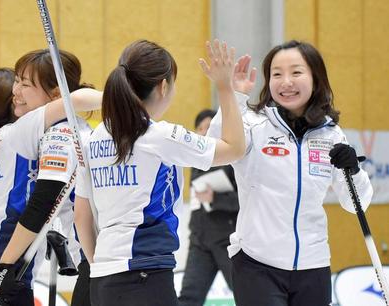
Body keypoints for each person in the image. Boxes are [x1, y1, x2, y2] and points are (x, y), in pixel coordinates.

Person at [73, 39, 252, 306]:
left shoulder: (95, 137)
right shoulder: (159, 135)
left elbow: (81, 215)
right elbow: (235, 148)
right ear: (163, 86)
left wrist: (97, 265)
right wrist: (226, 89)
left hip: (101, 280)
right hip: (145, 274)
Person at [207, 40, 373, 306]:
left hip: (313, 264)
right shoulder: (253, 123)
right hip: (257, 263)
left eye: (296, 72)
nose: (286, 82)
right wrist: (234, 97)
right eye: (276, 74)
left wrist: (353, 170)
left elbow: (357, 204)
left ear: (316, 78)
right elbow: (213, 153)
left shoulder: (331, 134)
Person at [0, 50, 101, 306]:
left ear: (55, 95)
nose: (15, 90)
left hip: (101, 261)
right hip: (98, 261)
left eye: (25, 84)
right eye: (16, 80)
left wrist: (6, 264)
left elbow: (44, 202)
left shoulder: (60, 133)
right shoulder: (35, 132)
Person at [178, 109, 239, 306]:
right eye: (200, 128)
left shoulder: (233, 160)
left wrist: (216, 198)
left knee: (245, 294)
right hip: (200, 242)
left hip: (227, 241)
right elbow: (197, 203)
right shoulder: (194, 163)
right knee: (189, 297)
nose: (204, 132)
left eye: (208, 127)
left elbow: (245, 201)